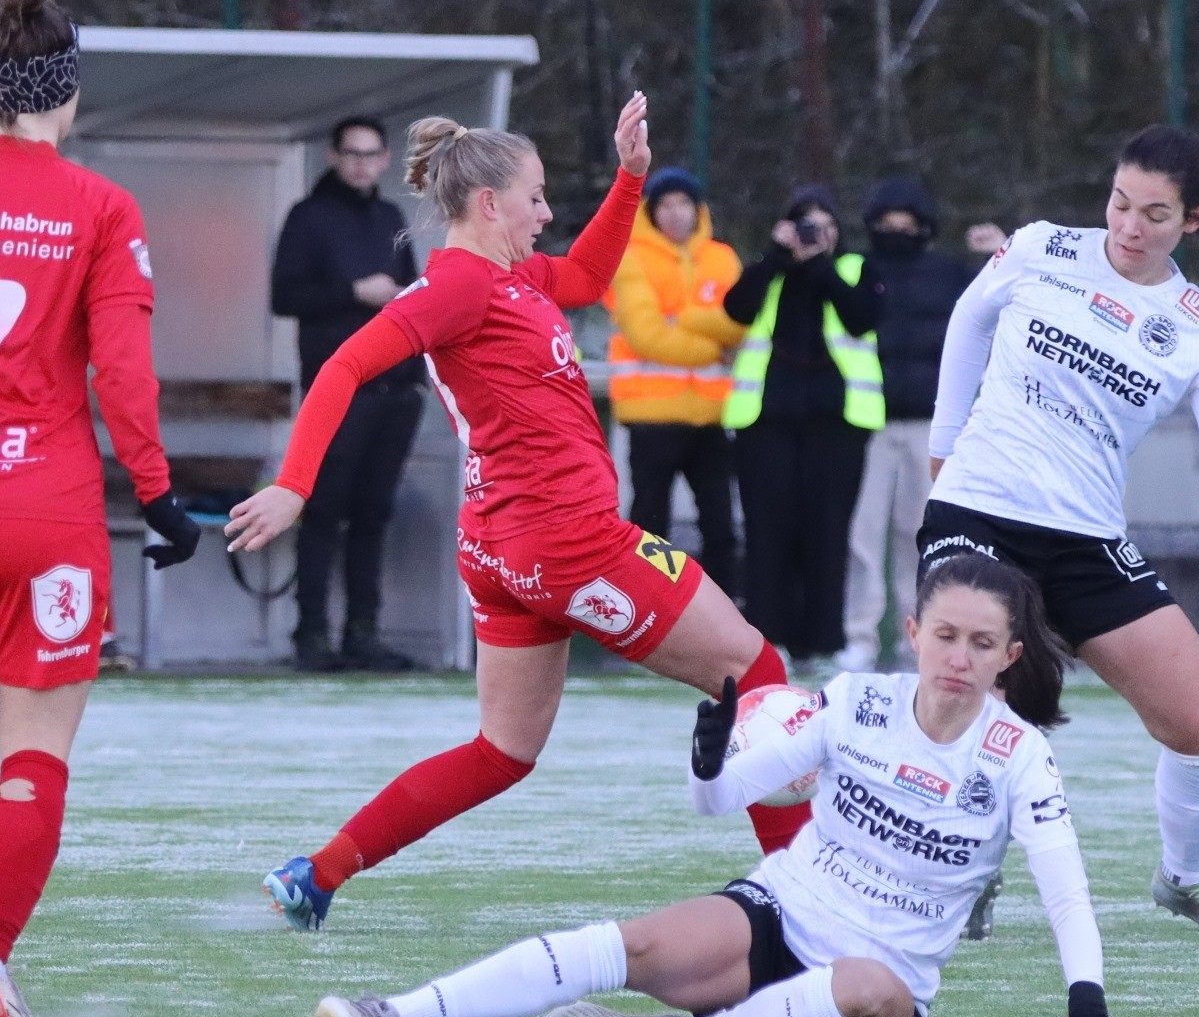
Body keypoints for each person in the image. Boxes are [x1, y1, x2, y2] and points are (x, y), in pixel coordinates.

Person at [229, 93, 814, 930]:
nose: (546, 214)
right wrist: (295, 483)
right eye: (536, 198)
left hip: (506, 550)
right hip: (569, 542)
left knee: (502, 752)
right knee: (756, 676)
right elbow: (343, 367)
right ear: (488, 203)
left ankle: (317, 874)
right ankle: (807, 900)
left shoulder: (511, 276)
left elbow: (585, 278)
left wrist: (632, 177)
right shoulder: (458, 285)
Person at [311, 553, 1163, 1017]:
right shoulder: (856, 702)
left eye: (983, 645)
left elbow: (1066, 891)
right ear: (914, 632)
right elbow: (719, 802)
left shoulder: (1019, 757)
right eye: (946, 636)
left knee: (866, 988)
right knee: (631, 942)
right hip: (778, 915)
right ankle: (396, 1014)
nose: (959, 658)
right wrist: (707, 761)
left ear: (1010, 658)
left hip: (876, 993)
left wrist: (1085, 998)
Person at [920, 124, 1199, 936]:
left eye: (1154, 214)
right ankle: (968, 867)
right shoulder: (1042, 249)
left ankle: (1184, 880)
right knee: (987, 686)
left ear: (1194, 220)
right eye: (1119, 203)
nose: (1128, 228)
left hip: (1086, 537)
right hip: (978, 511)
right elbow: (968, 323)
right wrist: (941, 450)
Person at [0, 0, 200, 1017]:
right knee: (30, 755)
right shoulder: (98, 206)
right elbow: (123, 376)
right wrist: (161, 497)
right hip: (47, 511)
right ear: (63, 90)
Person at [270, 116, 423, 673]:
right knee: (324, 509)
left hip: (395, 389)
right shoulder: (309, 217)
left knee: (373, 513)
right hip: (336, 391)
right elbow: (284, 295)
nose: (361, 163)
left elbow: (415, 299)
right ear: (335, 156)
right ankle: (311, 634)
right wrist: (354, 291)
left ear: (385, 159)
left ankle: (363, 632)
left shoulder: (390, 217)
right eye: (351, 153)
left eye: (371, 154)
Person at [723, 188, 885, 682]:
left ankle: (822, 642)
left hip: (836, 427)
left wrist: (820, 265)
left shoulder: (854, 270)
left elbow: (862, 318)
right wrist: (777, 256)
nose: (815, 236)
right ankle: (765, 638)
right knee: (768, 532)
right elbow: (737, 308)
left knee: (827, 533)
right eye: (804, 227)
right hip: (765, 423)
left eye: (823, 227)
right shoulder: (769, 273)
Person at [836, 177, 996, 671]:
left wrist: (1001, 252)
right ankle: (859, 636)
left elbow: (1001, 306)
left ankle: (918, 638)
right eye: (887, 221)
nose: (897, 229)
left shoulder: (951, 275)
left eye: (907, 220)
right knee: (863, 537)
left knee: (920, 536)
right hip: (868, 426)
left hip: (933, 427)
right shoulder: (856, 271)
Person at [604, 165, 744, 592]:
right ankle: (649, 608)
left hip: (712, 416)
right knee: (650, 525)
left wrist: (681, 319)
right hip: (652, 415)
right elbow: (646, 336)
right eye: (665, 204)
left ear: (698, 209)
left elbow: (741, 323)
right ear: (650, 210)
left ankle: (720, 618)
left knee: (719, 524)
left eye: (684, 203)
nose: (675, 213)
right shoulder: (630, 256)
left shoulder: (722, 258)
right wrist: (711, 342)